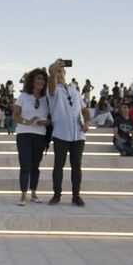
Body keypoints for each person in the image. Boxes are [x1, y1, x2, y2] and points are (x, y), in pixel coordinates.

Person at [47, 59, 89, 207]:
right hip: (61, 134)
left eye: (60, 71)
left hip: (78, 134)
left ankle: (76, 195)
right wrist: (53, 71)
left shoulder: (74, 89)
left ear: (65, 73)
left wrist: (87, 122)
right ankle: (56, 195)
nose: (58, 73)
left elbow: (84, 109)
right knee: (58, 165)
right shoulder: (52, 90)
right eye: (56, 71)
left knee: (76, 166)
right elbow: (52, 84)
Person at [13, 68, 50, 206]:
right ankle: (23, 195)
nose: (41, 81)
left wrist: (47, 122)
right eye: (38, 78)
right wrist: (26, 121)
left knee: (36, 165)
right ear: (32, 81)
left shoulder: (48, 98)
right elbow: (15, 115)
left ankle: (34, 193)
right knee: (25, 165)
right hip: (24, 134)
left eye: (43, 79)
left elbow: (52, 119)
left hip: (40, 135)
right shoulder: (23, 96)